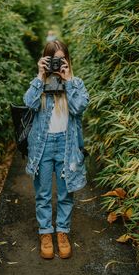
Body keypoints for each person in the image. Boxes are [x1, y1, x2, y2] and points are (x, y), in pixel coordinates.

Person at [23, 40, 90, 259]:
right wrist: (39, 77)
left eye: (61, 60)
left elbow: (79, 106)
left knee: (65, 194)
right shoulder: (40, 83)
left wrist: (68, 80)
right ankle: (45, 233)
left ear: (68, 60)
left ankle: (62, 232)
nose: (56, 65)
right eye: (52, 60)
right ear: (44, 60)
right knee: (42, 194)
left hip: (66, 145)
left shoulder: (76, 83)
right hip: (42, 146)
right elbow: (29, 104)